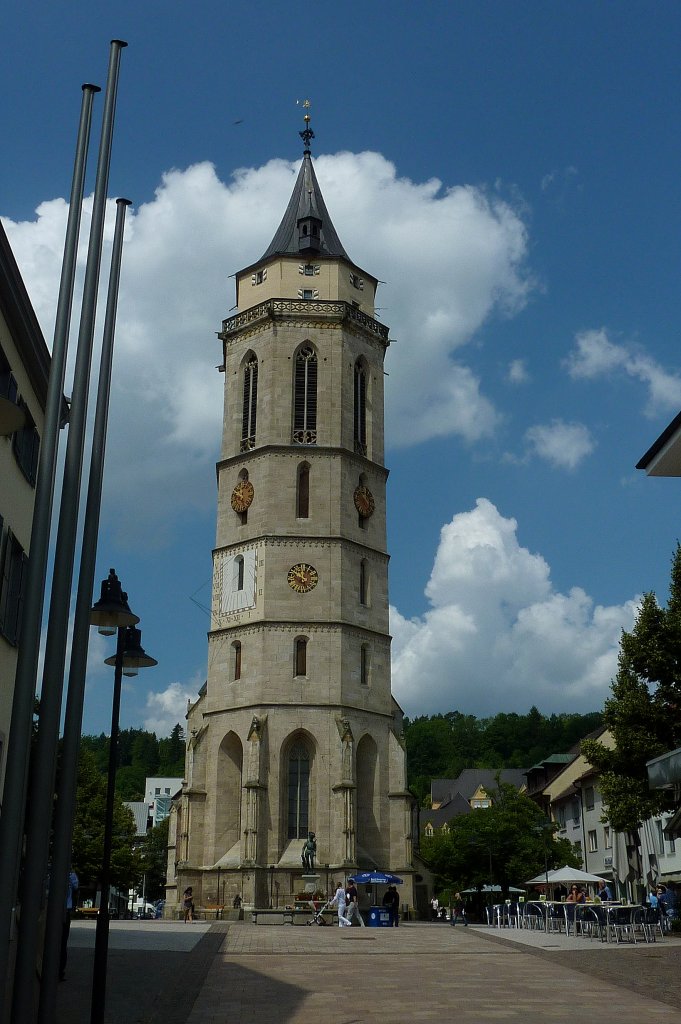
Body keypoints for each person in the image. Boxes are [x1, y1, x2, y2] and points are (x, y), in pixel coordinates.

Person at [59, 867, 79, 981]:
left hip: (64, 911)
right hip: (65, 911)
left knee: (62, 943)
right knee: (62, 943)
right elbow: (76, 885)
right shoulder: (71, 875)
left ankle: (60, 970)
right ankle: (60, 971)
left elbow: (76, 886)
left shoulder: (71, 875)